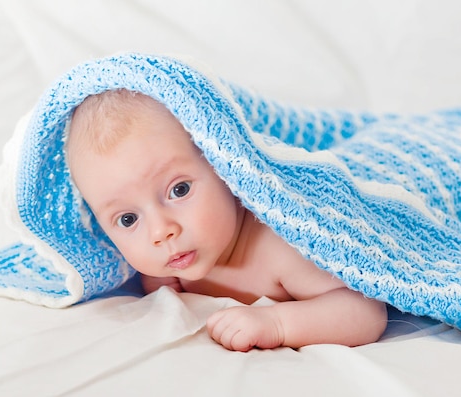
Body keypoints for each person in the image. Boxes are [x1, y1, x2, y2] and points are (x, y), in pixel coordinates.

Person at [66, 89, 387, 352]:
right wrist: (159, 281)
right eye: (127, 219)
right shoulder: (176, 260)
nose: (161, 231)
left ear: (223, 165)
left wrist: (278, 323)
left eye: (178, 190)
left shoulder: (279, 247)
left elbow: (365, 310)